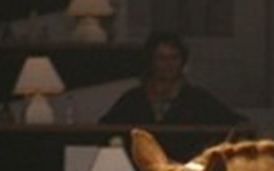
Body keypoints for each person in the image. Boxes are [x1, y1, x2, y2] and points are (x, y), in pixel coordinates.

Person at [100, 30, 247, 129]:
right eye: (161, 58)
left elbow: (237, 124)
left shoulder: (197, 99)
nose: (168, 64)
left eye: (174, 58)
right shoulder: (134, 99)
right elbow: (104, 128)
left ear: (182, 61)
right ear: (151, 61)